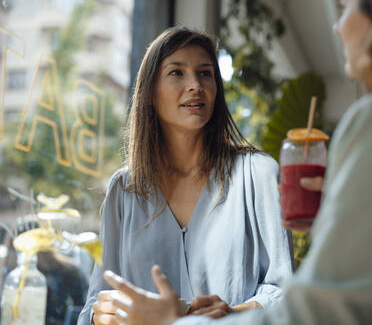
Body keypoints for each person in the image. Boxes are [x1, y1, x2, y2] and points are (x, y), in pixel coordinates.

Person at [100, 0, 372, 324]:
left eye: (349, 5)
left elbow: (320, 310)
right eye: (176, 73)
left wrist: (178, 322)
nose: (338, 26)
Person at [77, 27, 293, 325]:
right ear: (150, 93)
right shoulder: (124, 189)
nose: (195, 85)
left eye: (205, 73)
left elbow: (288, 292)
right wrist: (101, 316)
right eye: (177, 73)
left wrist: (232, 315)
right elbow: (97, 298)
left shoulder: (258, 174)